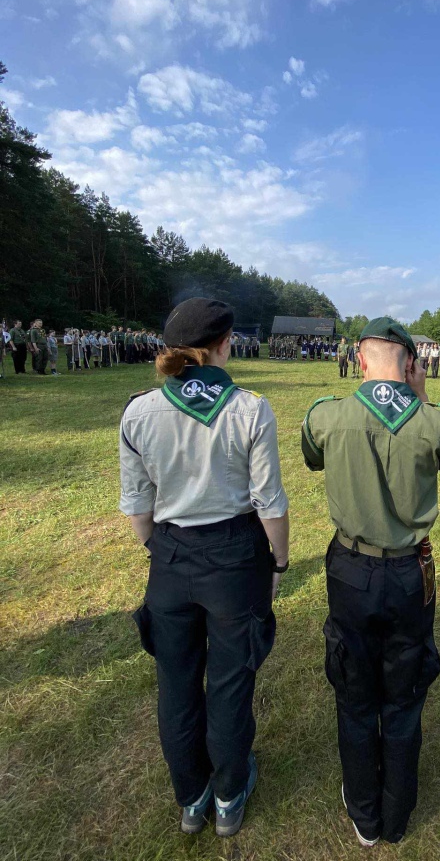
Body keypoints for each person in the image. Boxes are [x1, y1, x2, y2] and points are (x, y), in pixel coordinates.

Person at [119, 297, 290, 838]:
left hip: (170, 556)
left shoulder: (138, 411)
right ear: (223, 344)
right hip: (235, 557)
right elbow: (271, 504)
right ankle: (228, 794)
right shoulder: (249, 408)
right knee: (231, 683)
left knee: (175, 682)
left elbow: (137, 506)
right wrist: (278, 562)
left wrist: (161, 551)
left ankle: (192, 797)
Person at [301, 316, 440, 846]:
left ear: (361, 358)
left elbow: (311, 453)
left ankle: (366, 817)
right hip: (409, 571)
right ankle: (394, 817)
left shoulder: (329, 416)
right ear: (412, 365)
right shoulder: (436, 422)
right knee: (403, 694)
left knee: (354, 695)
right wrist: (422, 396)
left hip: (350, 569)